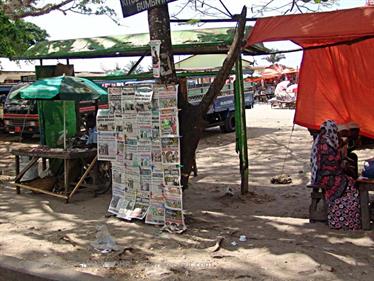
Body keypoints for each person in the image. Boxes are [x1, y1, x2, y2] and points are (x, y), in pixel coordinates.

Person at [310, 120, 361, 230]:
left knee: (350, 181)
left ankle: (346, 218)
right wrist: (344, 167)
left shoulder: (324, 141)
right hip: (326, 177)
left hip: (325, 174)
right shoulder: (326, 146)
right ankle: (345, 220)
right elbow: (331, 165)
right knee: (351, 186)